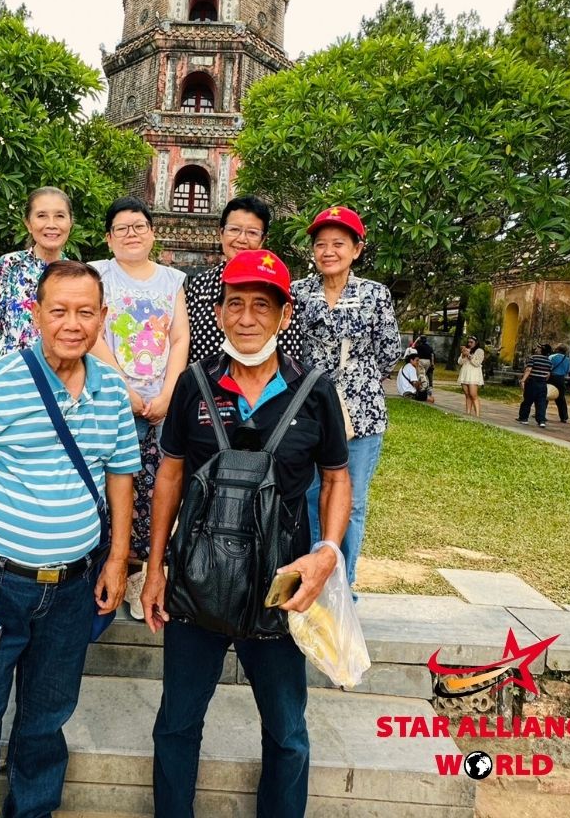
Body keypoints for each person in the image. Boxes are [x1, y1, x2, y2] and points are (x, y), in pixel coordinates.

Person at [141, 249, 352, 818]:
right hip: (197, 581)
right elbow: (170, 474)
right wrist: (154, 567)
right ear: (221, 311)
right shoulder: (194, 385)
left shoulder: (315, 391)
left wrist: (328, 553)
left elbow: (336, 479)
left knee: (286, 731)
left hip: (281, 590)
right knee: (177, 723)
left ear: (284, 316)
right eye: (235, 304)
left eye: (263, 305)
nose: (247, 317)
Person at [0, 259, 139, 818]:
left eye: (85, 312)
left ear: (102, 317)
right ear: (35, 314)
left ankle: (33, 811)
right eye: (59, 311)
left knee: (47, 721)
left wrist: (117, 559)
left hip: (72, 589)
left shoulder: (112, 391)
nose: (72, 324)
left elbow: (122, 478)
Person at [288, 206, 403, 593]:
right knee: (308, 496)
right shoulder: (298, 292)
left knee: (351, 502)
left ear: (357, 249)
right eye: (321, 244)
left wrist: (355, 378)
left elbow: (389, 351)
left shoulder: (375, 294)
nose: (328, 251)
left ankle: (342, 582)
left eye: (339, 243)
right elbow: (289, 347)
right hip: (309, 410)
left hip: (361, 412)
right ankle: (307, 577)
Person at [89, 197, 189, 619]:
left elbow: (180, 338)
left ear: (152, 233)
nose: (132, 233)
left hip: (161, 405)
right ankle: (102, 570)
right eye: (122, 228)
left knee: (154, 491)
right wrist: (123, 389)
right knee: (109, 487)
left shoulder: (171, 280)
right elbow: (92, 332)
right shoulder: (97, 273)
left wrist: (168, 394)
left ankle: (140, 578)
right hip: (111, 400)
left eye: (139, 226)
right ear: (109, 238)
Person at [0, 187, 75, 363]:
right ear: (28, 223)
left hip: (58, 373)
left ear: (70, 223)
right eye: (41, 215)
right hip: (9, 373)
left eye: (59, 216)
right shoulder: (7, 265)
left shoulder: (76, 276)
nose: (51, 224)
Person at [185, 196, 273, 363]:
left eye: (252, 233)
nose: (241, 239)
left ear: (262, 240)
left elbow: (289, 355)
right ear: (221, 233)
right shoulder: (200, 285)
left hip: (262, 387)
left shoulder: (274, 287)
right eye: (234, 229)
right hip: (203, 385)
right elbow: (183, 344)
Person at [518, 345, 555, 428]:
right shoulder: (549, 361)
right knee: (541, 403)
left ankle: (524, 418)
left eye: (539, 348)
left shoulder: (533, 358)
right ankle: (541, 420)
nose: (537, 349)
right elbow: (548, 375)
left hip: (532, 382)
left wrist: (523, 380)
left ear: (541, 350)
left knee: (527, 400)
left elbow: (528, 369)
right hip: (542, 383)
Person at [456, 337, 486, 416]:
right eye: (468, 342)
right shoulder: (465, 349)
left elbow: (477, 363)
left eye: (471, 342)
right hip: (465, 374)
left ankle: (477, 415)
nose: (469, 344)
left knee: (473, 395)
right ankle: (468, 413)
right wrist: (463, 354)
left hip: (473, 375)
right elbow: (459, 362)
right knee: (467, 395)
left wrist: (469, 355)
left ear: (476, 343)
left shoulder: (479, 351)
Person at [549, 344, 570, 424]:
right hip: (561, 379)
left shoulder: (552, 357)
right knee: (561, 398)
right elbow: (567, 371)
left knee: (545, 395)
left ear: (557, 349)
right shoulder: (567, 359)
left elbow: (548, 367)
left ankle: (540, 413)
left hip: (551, 377)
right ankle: (564, 417)